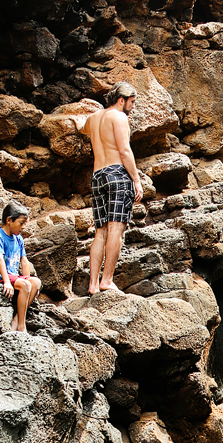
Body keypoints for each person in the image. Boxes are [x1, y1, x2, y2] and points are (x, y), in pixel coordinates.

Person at [78, 82, 143, 295]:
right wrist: (136, 180)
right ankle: (107, 280)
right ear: (121, 99)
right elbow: (124, 151)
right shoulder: (119, 117)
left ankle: (93, 285)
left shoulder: (94, 118)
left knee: (100, 231)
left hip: (98, 176)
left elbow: (81, 126)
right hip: (117, 174)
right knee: (116, 228)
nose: (133, 107)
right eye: (132, 102)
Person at [0, 201, 41, 334]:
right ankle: (21, 326)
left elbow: (24, 261)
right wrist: (6, 282)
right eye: (21, 223)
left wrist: (27, 278)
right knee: (25, 285)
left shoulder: (18, 239)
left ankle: (17, 319)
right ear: (9, 220)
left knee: (35, 282)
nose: (23, 227)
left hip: (14, 276)